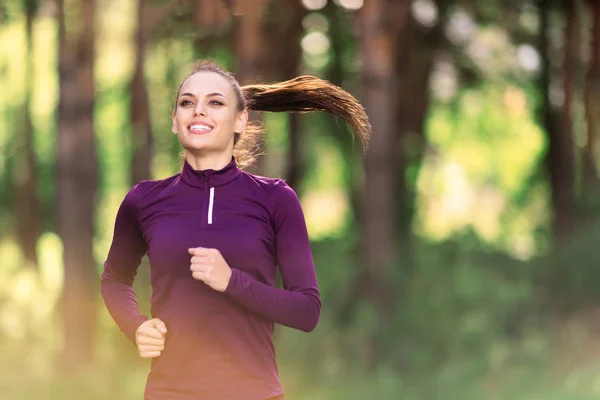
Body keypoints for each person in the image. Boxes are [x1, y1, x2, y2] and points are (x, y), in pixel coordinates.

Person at [101, 59, 371, 400]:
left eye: (215, 102)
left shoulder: (275, 198)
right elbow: (114, 278)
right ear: (174, 121)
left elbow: (307, 310)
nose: (198, 111)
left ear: (240, 120)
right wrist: (135, 325)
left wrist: (231, 281)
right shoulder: (144, 200)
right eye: (187, 103)